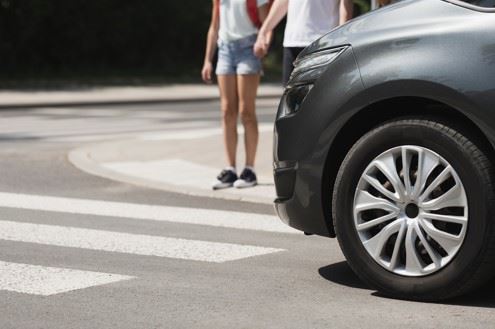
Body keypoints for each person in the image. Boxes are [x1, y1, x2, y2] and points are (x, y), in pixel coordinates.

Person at [202, 0, 270, 190]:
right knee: (226, 111)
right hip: (224, 50)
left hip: (249, 48)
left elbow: (267, 24)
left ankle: (249, 170)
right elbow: (214, 26)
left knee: (246, 111)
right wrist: (208, 60)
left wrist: (263, 43)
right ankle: (230, 169)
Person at [254, 0, 353, 85]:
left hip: (323, 44)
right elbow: (282, 2)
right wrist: (263, 31)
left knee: (319, 99)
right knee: (290, 101)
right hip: (292, 42)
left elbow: (346, 4)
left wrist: (341, 37)